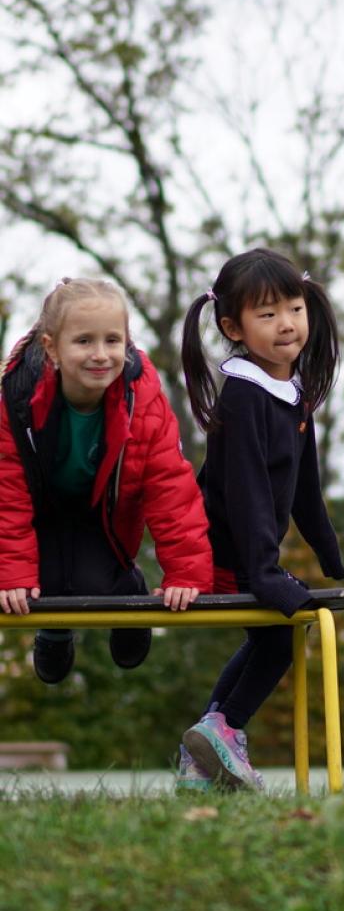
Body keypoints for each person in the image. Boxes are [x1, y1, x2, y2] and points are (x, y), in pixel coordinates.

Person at [179, 248, 344, 791]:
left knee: (274, 638)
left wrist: (330, 555)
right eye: (267, 314)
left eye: (294, 309)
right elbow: (246, 492)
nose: (286, 325)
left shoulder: (292, 391)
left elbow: (304, 486)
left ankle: (206, 750)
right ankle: (218, 733)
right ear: (233, 326)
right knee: (278, 638)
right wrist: (264, 572)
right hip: (226, 550)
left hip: (252, 553)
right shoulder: (245, 396)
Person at [0, 277, 213, 684]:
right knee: (39, 587)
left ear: (127, 344)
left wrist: (185, 574)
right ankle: (55, 630)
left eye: (113, 341)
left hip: (106, 513)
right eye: (83, 341)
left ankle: (127, 593)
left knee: (98, 578)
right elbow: (7, 492)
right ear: (52, 349)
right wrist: (12, 574)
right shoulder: (16, 398)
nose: (100, 355)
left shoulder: (143, 398)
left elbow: (171, 487)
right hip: (44, 508)